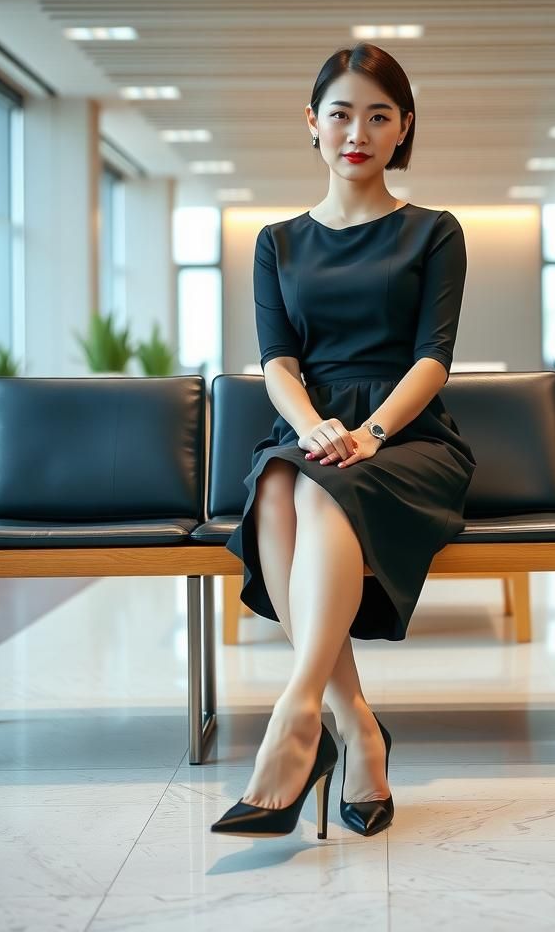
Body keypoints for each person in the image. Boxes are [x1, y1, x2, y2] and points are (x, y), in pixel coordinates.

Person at [213, 43, 476, 840]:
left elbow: (434, 358)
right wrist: (313, 427)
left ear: (403, 131)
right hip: (312, 429)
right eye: (340, 113)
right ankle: (355, 727)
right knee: (283, 483)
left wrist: (368, 433)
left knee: (314, 489)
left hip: (408, 434)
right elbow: (277, 362)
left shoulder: (435, 232)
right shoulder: (278, 241)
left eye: (378, 115)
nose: (356, 130)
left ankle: (297, 721)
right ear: (313, 124)